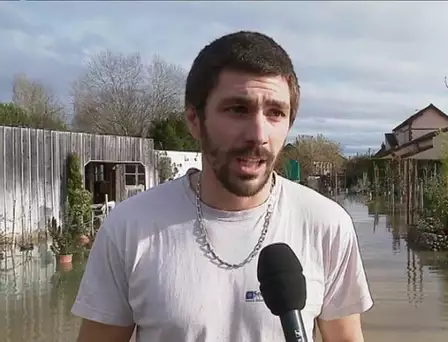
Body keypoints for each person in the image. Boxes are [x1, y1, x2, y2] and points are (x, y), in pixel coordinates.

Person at [72, 30, 373, 342]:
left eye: (275, 113)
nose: (258, 134)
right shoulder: (129, 227)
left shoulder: (327, 224)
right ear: (194, 120)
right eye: (237, 109)